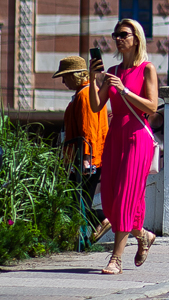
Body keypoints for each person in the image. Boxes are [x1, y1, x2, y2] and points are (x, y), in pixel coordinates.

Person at [87, 19, 159, 275]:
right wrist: (94, 80)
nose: (118, 39)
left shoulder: (147, 69)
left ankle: (115, 259)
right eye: (115, 34)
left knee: (126, 197)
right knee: (109, 198)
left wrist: (126, 91)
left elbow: (151, 106)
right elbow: (97, 106)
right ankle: (142, 235)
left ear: (136, 38)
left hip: (138, 137)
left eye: (123, 34)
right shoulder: (113, 72)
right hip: (115, 136)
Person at [57, 55, 110, 241]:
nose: (63, 81)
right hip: (86, 157)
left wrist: (86, 159)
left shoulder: (86, 94)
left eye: (65, 76)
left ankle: (102, 219)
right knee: (78, 200)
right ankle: (84, 235)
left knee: (78, 201)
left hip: (87, 159)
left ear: (75, 75)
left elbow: (88, 129)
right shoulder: (87, 92)